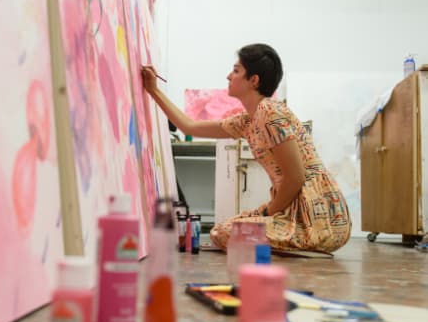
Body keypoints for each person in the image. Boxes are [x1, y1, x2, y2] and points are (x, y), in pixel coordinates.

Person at [141, 43, 351, 253]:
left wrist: (268, 212)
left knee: (227, 233)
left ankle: (304, 248)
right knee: (221, 231)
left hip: (318, 217)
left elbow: (295, 178)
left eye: (236, 70)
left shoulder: (271, 112)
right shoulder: (248, 120)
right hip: (290, 209)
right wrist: (153, 90)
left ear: (254, 80)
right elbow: (190, 126)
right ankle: (291, 247)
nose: (228, 76)